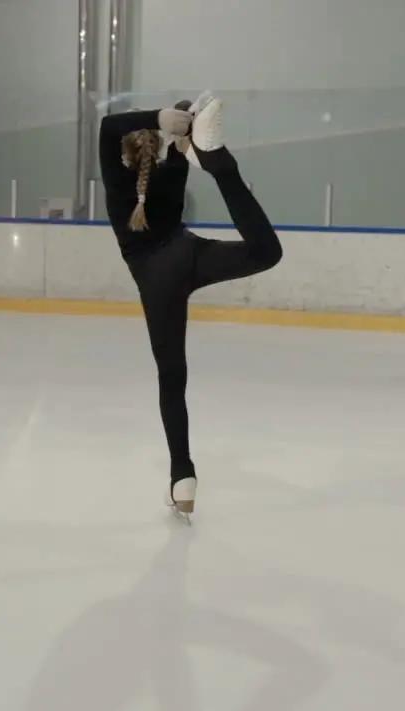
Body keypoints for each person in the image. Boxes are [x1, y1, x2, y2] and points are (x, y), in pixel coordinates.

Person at [98, 93, 283, 516]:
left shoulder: (116, 180)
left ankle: (182, 474)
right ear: (158, 145)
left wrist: (162, 119)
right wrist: (184, 132)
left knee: (171, 378)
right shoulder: (172, 169)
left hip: (155, 279)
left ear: (124, 152)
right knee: (266, 252)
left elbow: (108, 126)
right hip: (189, 255)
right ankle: (221, 165)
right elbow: (170, 141)